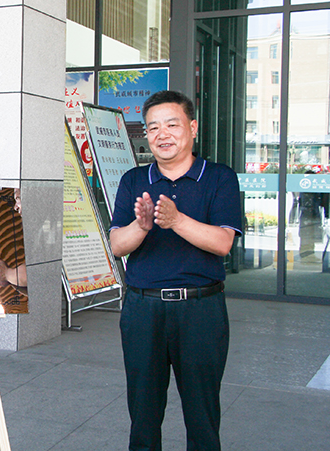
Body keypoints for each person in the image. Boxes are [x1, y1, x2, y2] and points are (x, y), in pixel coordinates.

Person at [108, 90, 242, 451]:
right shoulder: (134, 180)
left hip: (200, 311)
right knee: (143, 414)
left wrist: (177, 220)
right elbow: (118, 245)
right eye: (153, 127)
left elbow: (223, 243)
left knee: (202, 416)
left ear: (192, 128)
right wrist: (142, 226)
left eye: (172, 124)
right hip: (142, 310)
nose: (162, 134)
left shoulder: (219, 178)